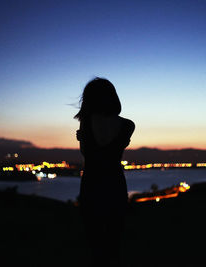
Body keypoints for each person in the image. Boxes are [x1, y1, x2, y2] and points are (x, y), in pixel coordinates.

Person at [74, 77, 135, 266]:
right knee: (114, 240)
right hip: (115, 183)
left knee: (94, 242)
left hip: (92, 183)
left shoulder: (86, 123)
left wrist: (82, 137)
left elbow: (87, 152)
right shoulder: (128, 125)